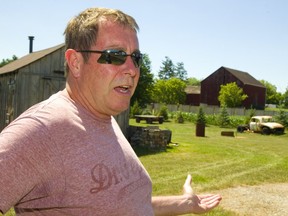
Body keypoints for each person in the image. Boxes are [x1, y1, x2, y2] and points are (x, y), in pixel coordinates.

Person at [0, 7, 221, 215]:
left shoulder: (105, 118)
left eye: (136, 58)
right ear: (75, 62)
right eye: (115, 55)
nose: (133, 69)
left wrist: (186, 203)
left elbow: (124, 205)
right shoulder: (42, 129)